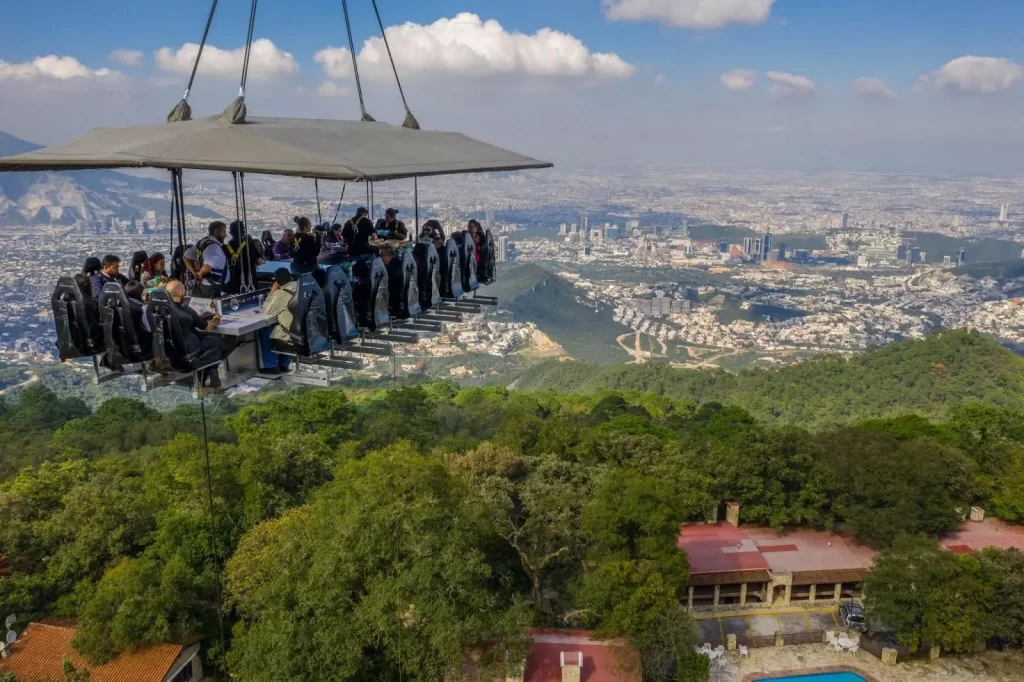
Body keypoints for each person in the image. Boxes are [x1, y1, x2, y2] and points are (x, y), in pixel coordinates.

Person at [164, 280, 236, 388]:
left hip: (175, 354)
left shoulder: (161, 310)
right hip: (193, 350)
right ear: (180, 293)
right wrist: (217, 318)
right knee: (230, 343)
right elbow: (208, 327)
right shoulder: (185, 310)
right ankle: (211, 368)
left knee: (215, 342)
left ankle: (211, 369)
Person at [257, 268, 297, 375]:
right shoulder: (302, 286)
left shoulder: (281, 294)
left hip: (293, 337)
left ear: (277, 283)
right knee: (286, 327)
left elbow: (267, 310)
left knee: (266, 330)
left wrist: (272, 292)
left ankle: (271, 366)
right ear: (291, 278)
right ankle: (284, 364)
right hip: (308, 332)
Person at [185, 221, 230, 298]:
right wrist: (199, 275)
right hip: (211, 289)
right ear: (216, 232)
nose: (225, 235)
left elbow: (186, 256)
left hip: (205, 287)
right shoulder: (214, 247)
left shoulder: (202, 243)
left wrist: (194, 273)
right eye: (224, 232)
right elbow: (208, 266)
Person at [224, 220, 264, 295]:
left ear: (230, 232)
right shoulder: (249, 246)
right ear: (243, 232)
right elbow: (259, 262)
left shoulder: (226, 247)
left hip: (233, 280)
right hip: (249, 280)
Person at [74, 273, 103, 346]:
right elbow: (96, 324)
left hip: (75, 340)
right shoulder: (90, 303)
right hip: (92, 341)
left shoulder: (65, 302)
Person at [123, 280, 153, 345]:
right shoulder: (142, 309)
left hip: (126, 342)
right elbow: (149, 329)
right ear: (140, 294)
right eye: (143, 294)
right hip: (143, 342)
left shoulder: (122, 306)